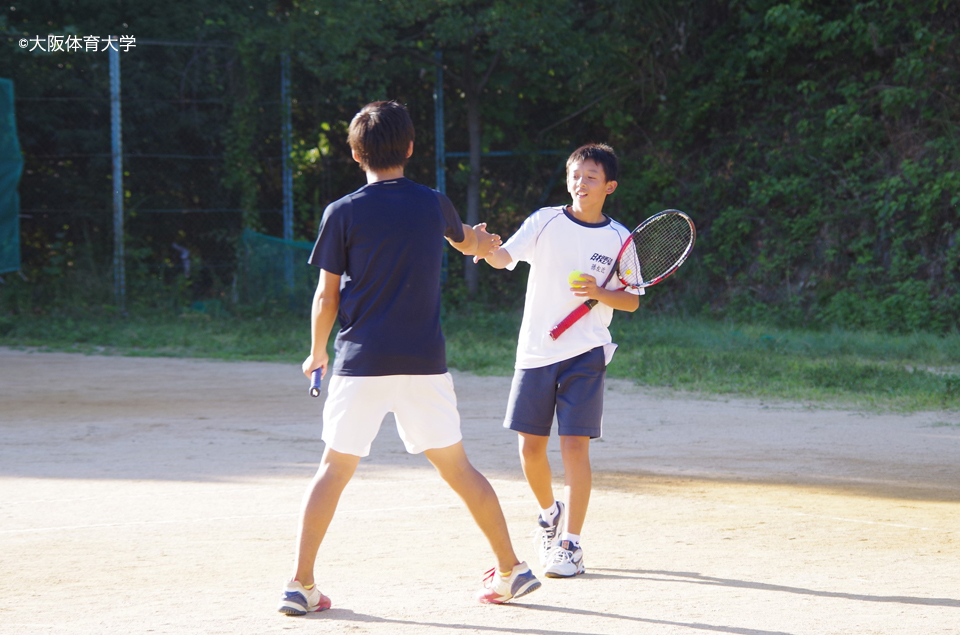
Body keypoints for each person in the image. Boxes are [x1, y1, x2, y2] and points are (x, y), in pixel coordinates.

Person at [277, 101, 540, 616]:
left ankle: (300, 583)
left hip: (359, 361)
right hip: (424, 362)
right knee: (459, 468)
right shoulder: (433, 203)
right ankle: (512, 568)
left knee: (332, 469)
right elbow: (469, 244)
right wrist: (484, 242)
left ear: (356, 153)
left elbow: (326, 297)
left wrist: (315, 352)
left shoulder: (343, 211)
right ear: (411, 148)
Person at [478, 143, 640, 578]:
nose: (580, 183)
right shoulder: (544, 221)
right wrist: (482, 246)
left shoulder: (620, 238)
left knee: (573, 447)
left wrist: (599, 293)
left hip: (586, 353)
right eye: (575, 175)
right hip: (535, 351)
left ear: (609, 186)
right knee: (530, 448)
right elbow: (502, 258)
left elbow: (632, 302)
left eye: (591, 176)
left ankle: (571, 544)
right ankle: (550, 513)